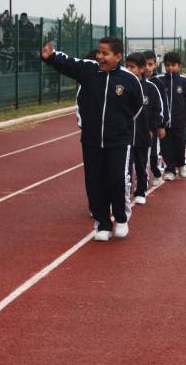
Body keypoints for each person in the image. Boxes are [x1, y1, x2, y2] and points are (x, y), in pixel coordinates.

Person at [41, 37, 144, 241]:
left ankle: (121, 219)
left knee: (117, 179)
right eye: (99, 52)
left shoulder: (129, 79)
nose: (100, 57)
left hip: (119, 141)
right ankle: (102, 223)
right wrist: (51, 57)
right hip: (91, 141)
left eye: (105, 53)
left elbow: (137, 106)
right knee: (95, 182)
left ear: (118, 57)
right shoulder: (88, 70)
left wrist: (120, 126)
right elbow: (69, 63)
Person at [124, 52, 165, 205]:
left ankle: (141, 191)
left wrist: (153, 128)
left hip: (143, 135)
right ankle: (125, 194)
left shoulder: (151, 88)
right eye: (127, 66)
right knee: (125, 168)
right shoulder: (121, 87)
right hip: (125, 136)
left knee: (141, 165)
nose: (129, 69)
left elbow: (158, 111)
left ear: (141, 69)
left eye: (132, 67)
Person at [158, 52, 186, 181]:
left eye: (173, 65)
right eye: (167, 65)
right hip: (164, 123)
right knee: (166, 147)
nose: (170, 68)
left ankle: (181, 165)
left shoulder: (184, 81)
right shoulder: (160, 81)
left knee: (180, 144)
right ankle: (170, 169)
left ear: (179, 66)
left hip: (180, 122)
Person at [143, 50, 165, 185]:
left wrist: (161, 125)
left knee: (152, 153)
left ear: (155, 65)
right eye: (144, 64)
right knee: (139, 155)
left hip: (153, 126)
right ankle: (142, 178)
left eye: (150, 64)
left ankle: (156, 172)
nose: (147, 68)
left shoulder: (158, 83)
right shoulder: (135, 82)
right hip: (139, 126)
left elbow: (162, 106)